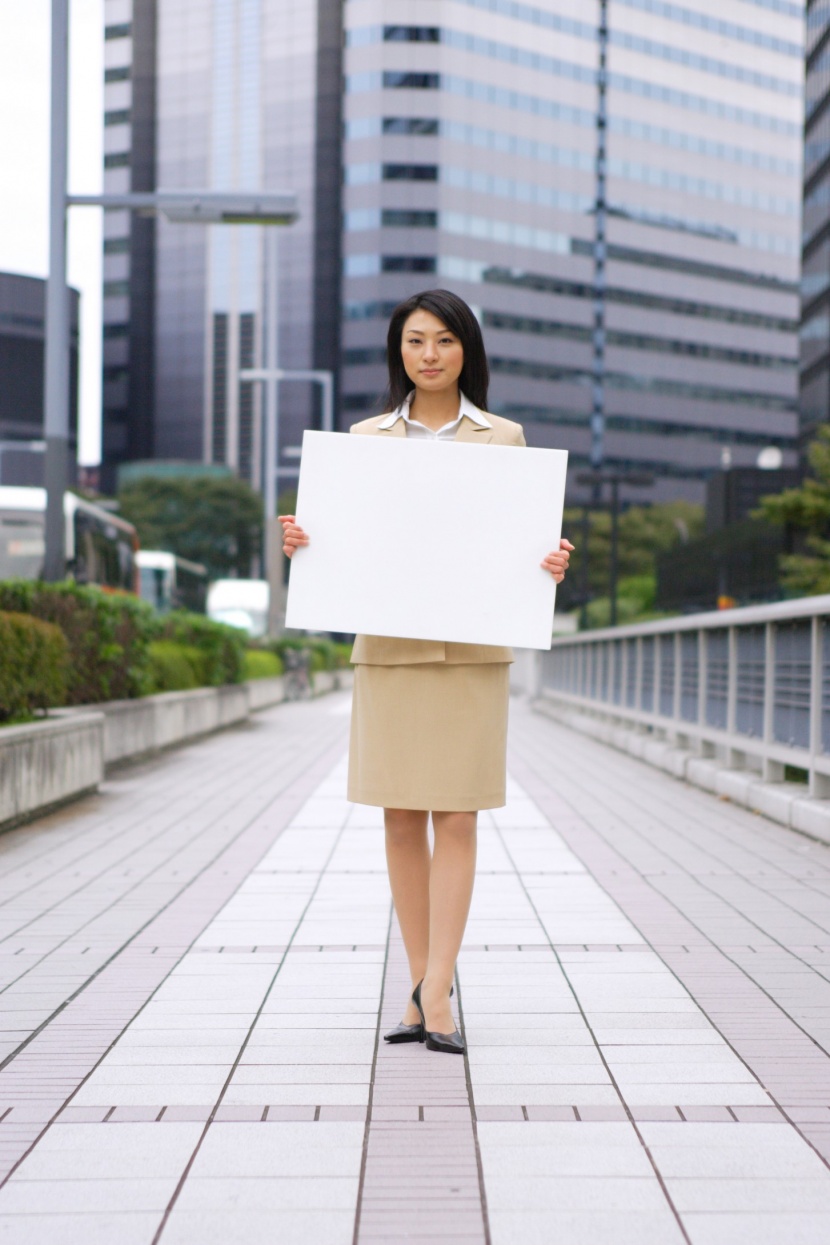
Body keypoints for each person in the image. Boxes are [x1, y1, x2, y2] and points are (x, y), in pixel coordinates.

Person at [279, 289, 572, 1055]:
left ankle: (437, 990)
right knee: (401, 816)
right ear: (398, 351)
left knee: (458, 814)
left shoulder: (504, 438)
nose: (430, 354)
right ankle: (422, 984)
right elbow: (346, 545)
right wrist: (305, 542)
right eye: (416, 341)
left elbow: (523, 544)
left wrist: (551, 560)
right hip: (392, 649)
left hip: (472, 653)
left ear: (466, 349)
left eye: (444, 340)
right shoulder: (364, 438)